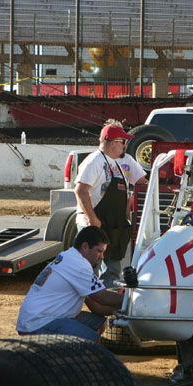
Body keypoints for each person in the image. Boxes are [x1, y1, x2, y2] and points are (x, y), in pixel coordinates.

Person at [74, 119, 148, 288]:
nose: (125, 146)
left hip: (113, 226)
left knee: (112, 271)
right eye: (123, 142)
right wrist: (92, 219)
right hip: (93, 226)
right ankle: (87, 300)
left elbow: (142, 184)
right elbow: (80, 190)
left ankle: (106, 297)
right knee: (87, 269)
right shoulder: (94, 161)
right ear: (113, 143)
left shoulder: (118, 162)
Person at [16, 226, 122, 341]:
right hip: (39, 323)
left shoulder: (70, 257)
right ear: (85, 247)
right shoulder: (78, 265)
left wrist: (124, 309)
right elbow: (103, 298)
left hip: (37, 318)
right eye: (99, 251)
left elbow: (96, 307)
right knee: (93, 341)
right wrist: (131, 299)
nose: (102, 257)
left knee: (98, 322)